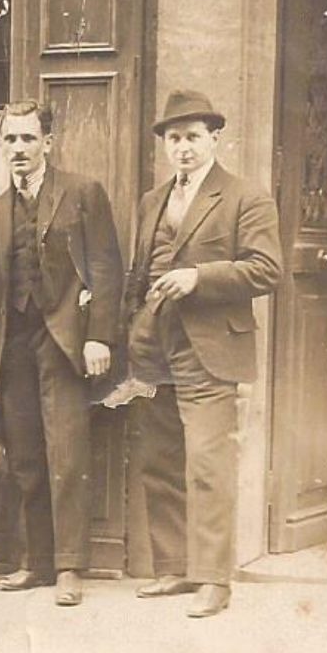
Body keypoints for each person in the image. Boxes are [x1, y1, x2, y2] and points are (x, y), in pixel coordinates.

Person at [125, 90, 283, 619]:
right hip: (153, 349)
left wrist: (199, 277)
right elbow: (139, 272)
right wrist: (132, 330)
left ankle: (215, 579)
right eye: (174, 138)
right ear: (164, 144)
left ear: (215, 137)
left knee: (208, 465)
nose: (183, 148)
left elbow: (267, 269)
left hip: (210, 350)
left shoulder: (246, 197)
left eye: (193, 136)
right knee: (159, 460)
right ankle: (174, 568)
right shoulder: (152, 201)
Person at [0, 100, 122, 607]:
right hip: (13, 346)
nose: (19, 149)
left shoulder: (81, 193)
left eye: (28, 139)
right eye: (10, 140)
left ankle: (69, 566)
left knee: (67, 455)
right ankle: (33, 562)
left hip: (64, 345)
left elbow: (105, 268)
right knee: (26, 459)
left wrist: (99, 335)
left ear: (48, 144)